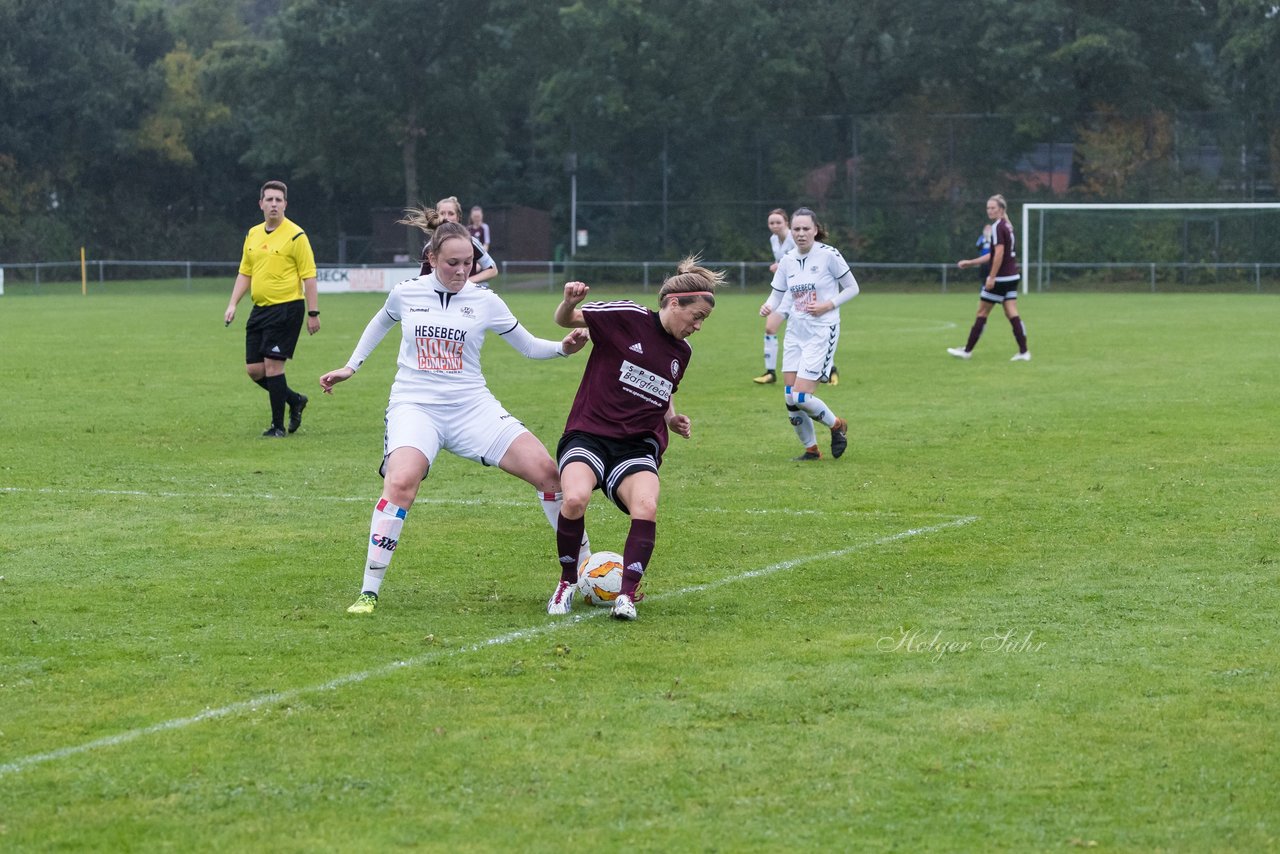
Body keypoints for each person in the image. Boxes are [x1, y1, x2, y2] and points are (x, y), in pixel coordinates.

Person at [318, 219, 591, 615]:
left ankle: (586, 568)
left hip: (471, 407)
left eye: (468, 262)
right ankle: (368, 591)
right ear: (431, 259)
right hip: (415, 406)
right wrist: (351, 366)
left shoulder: (486, 300)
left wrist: (564, 348)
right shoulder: (406, 293)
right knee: (401, 482)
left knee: (548, 472)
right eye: (452, 263)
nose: (462, 271)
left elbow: (529, 346)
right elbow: (381, 321)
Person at [546, 257, 724, 620]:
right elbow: (565, 320)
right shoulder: (626, 316)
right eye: (697, 317)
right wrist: (569, 301)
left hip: (638, 445)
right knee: (576, 498)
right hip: (589, 435)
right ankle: (566, 583)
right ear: (675, 303)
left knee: (646, 506)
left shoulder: (681, 353)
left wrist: (672, 417)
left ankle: (626, 595)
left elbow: (663, 389)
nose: (698, 326)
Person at [223, 179, 319, 438]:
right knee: (255, 370)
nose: (274, 204)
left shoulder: (296, 235)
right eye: (269, 199)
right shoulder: (253, 234)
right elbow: (245, 272)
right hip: (260, 309)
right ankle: (295, 399)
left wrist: (313, 313)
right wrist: (233, 304)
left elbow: (309, 276)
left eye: (279, 200)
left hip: (287, 309)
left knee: (274, 367)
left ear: (285, 204)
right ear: (261, 204)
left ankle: (278, 427)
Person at [759, 207, 857, 461]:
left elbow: (852, 288)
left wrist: (828, 305)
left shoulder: (829, 255)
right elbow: (778, 293)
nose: (801, 233)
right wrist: (769, 305)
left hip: (822, 331)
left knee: (802, 396)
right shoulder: (788, 260)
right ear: (791, 231)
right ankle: (811, 449)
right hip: (795, 331)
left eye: (806, 229)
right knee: (790, 399)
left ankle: (837, 425)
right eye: (797, 229)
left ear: (815, 230)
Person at [754, 209, 839, 386]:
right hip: (785, 293)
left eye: (778, 222)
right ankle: (770, 372)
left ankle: (830, 368)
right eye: (771, 223)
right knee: (770, 328)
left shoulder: (797, 239)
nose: (775, 226)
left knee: (815, 332)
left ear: (786, 223)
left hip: (802, 295)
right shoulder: (773, 240)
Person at [949, 194, 1031, 361]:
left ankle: (967, 351)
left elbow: (999, 254)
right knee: (1011, 312)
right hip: (1012, 276)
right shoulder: (1008, 226)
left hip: (1000, 278)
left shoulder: (997, 227)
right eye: (988, 208)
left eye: (993, 208)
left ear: (1001, 209)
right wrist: (971, 262)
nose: (990, 210)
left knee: (982, 312)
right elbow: (994, 255)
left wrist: (991, 277)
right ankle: (1024, 352)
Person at [429, 196, 497, 286]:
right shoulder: (429, 247)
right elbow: (424, 277)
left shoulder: (471, 241)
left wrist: (466, 283)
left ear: (458, 217)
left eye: (451, 213)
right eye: (442, 213)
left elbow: (492, 269)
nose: (446, 217)